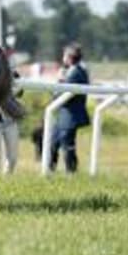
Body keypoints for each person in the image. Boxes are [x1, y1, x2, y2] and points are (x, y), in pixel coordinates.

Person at [49, 43, 90, 173]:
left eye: (64, 55)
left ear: (69, 57)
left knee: (67, 146)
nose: (62, 58)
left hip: (69, 116)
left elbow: (58, 94)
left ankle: (70, 172)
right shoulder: (75, 71)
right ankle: (51, 170)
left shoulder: (76, 72)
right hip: (65, 115)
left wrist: (59, 80)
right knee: (53, 144)